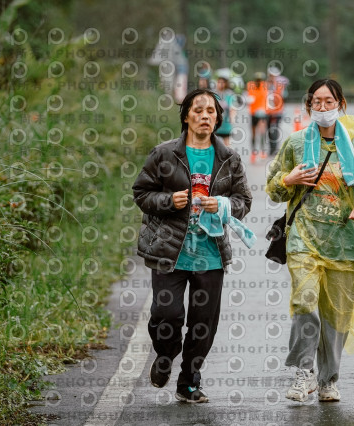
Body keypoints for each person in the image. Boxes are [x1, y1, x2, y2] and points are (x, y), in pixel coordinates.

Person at [265, 79, 354, 403]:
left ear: (340, 104)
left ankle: (328, 379)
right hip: (303, 238)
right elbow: (274, 186)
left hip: (343, 241)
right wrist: (287, 179)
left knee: (337, 316)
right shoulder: (294, 144)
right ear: (308, 107)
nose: (322, 107)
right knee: (305, 300)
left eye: (328, 101)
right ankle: (303, 372)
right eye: (316, 102)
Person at [133, 89, 253, 403]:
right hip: (169, 252)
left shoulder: (229, 158)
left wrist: (224, 205)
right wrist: (167, 201)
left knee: (203, 326)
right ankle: (164, 355)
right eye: (197, 110)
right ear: (186, 115)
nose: (204, 116)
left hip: (210, 255)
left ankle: (188, 381)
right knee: (167, 315)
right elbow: (141, 194)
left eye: (210, 112)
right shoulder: (164, 154)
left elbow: (244, 202)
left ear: (218, 118)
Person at [265, 66, 288, 157]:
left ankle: (274, 149)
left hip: (277, 112)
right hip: (267, 112)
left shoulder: (280, 85)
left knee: (274, 130)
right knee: (269, 131)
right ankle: (271, 149)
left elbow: (284, 96)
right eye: (271, 75)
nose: (272, 77)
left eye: (274, 76)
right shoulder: (266, 84)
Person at [246, 71, 268, 164]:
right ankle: (254, 153)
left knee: (262, 132)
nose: (259, 82)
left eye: (260, 80)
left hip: (262, 112)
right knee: (254, 133)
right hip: (253, 112)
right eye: (257, 80)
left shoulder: (264, 86)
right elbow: (249, 97)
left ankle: (262, 151)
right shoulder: (250, 85)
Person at [214, 68, 236, 146]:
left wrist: (232, 117)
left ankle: (228, 158)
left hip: (226, 125)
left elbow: (232, 108)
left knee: (227, 145)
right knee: (214, 145)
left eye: (222, 82)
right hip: (215, 125)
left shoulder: (229, 94)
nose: (220, 84)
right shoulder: (214, 94)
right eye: (219, 82)